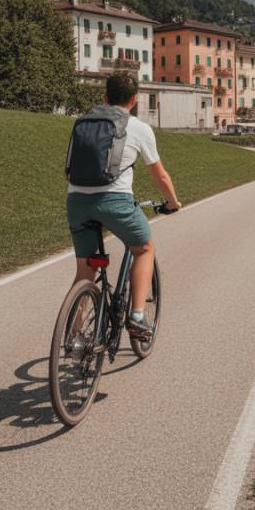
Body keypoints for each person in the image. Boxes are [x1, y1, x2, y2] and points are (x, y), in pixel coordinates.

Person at [66, 72, 181, 338]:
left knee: (86, 268)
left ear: (105, 98)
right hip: (115, 203)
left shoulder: (82, 124)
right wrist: (173, 202)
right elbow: (161, 176)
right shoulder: (139, 128)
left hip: (77, 203)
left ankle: (73, 335)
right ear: (134, 100)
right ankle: (138, 317)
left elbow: (68, 172)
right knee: (143, 248)